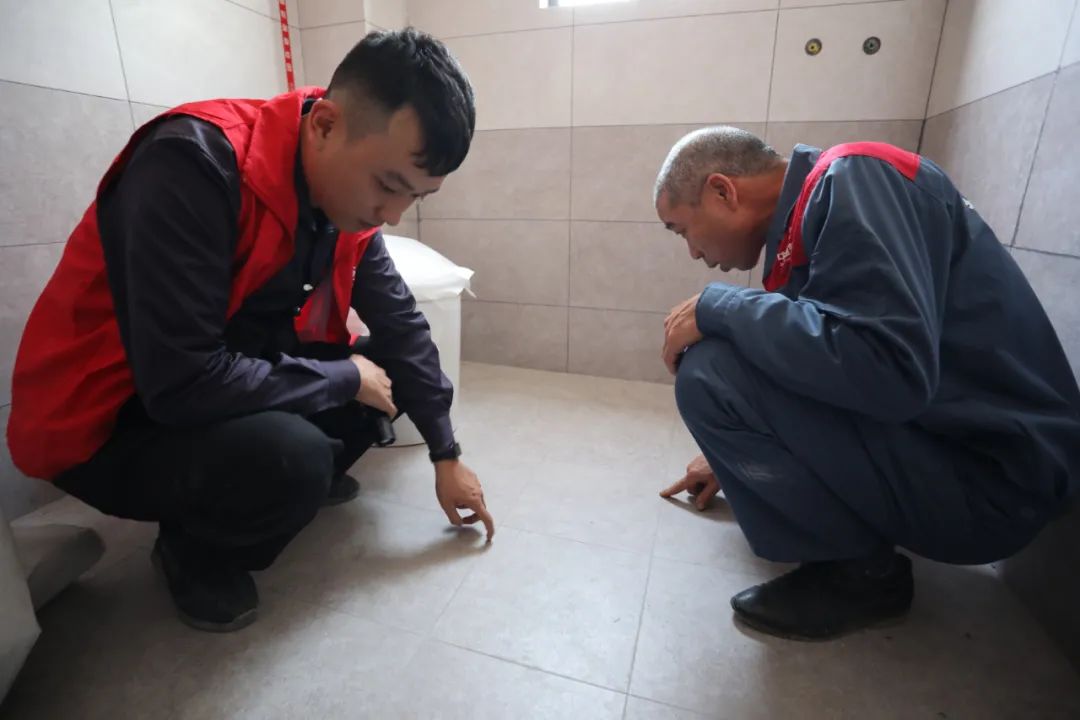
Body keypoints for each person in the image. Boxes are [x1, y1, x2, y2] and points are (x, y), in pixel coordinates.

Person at [7, 29, 494, 633]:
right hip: (113, 418)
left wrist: (447, 454)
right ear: (325, 125)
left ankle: (268, 479)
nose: (392, 215)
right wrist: (342, 378)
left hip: (212, 377)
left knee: (386, 374)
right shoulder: (191, 165)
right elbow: (181, 382)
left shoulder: (346, 199)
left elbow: (403, 326)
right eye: (389, 186)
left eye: (414, 197)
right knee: (293, 456)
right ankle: (193, 549)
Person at [653, 127, 1080, 640]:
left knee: (711, 370)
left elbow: (888, 370)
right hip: (970, 459)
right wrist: (743, 447)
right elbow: (830, 367)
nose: (693, 252)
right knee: (738, 353)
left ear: (723, 191)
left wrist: (722, 305)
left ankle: (861, 575)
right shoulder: (822, 214)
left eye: (681, 229)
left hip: (995, 485)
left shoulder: (856, 175)